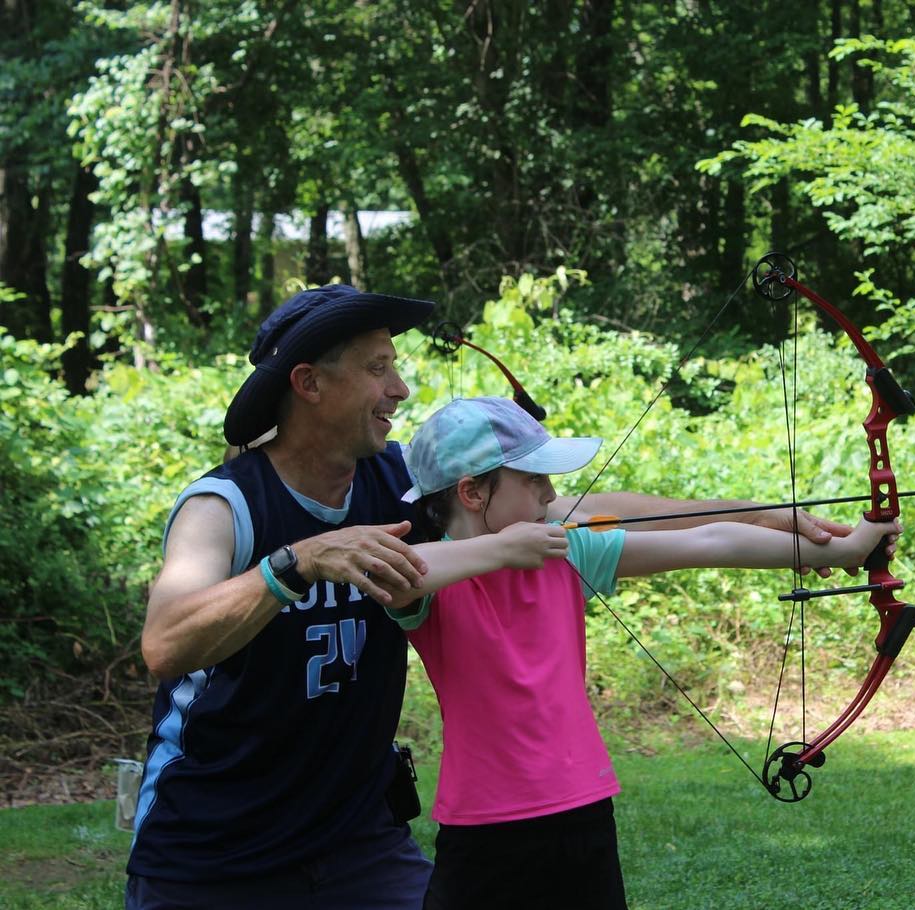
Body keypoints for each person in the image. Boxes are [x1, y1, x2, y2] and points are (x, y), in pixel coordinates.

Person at [126, 284, 853, 910]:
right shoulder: (222, 507)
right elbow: (165, 644)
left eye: (396, 367)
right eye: (379, 369)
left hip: (356, 840)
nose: (400, 389)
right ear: (310, 384)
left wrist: (764, 513)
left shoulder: (397, 486)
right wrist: (297, 564)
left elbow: (586, 511)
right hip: (211, 849)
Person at [385, 397, 898, 909]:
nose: (552, 492)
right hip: (483, 824)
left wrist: (848, 548)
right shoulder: (432, 580)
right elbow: (395, 572)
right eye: (534, 480)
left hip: (582, 807)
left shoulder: (567, 551)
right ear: (472, 492)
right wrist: (500, 550)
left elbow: (709, 542)